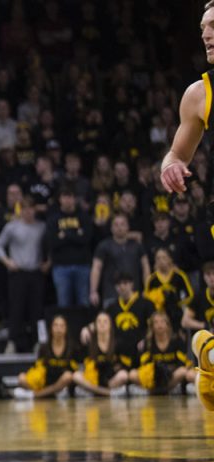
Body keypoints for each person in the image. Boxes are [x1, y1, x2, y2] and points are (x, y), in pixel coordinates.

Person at [160, 1, 214, 411]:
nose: (207, 34)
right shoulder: (200, 93)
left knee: (211, 390)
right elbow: (177, 154)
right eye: (202, 28)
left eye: (213, 25)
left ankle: (209, 349)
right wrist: (172, 168)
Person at [0, 195, 48, 352]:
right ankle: (12, 342)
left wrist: (48, 262)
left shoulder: (41, 227)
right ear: (20, 210)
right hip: (18, 273)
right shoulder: (12, 227)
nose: (28, 212)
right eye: (24, 208)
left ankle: (39, 343)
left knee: (37, 310)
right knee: (16, 309)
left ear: (34, 210)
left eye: (31, 208)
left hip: (36, 272)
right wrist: (8, 262)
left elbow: (51, 245)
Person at [12, 315, 78, 399]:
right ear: (51, 328)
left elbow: (74, 371)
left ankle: (34, 395)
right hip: (45, 381)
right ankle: (47, 393)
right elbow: (38, 368)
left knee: (68, 376)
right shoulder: (44, 347)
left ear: (66, 328)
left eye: (62, 326)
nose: (58, 329)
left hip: (62, 384)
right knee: (21, 378)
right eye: (56, 325)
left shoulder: (72, 347)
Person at [130, 312, 196, 395]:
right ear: (152, 326)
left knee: (182, 371)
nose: (159, 325)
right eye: (156, 322)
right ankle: (153, 389)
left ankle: (167, 389)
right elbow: (144, 364)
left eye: (162, 322)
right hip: (154, 377)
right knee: (132, 374)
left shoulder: (177, 341)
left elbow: (181, 363)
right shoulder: (147, 343)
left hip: (172, 376)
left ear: (167, 324)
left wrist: (168, 370)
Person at [73, 312, 132, 397]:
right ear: (95, 325)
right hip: (93, 380)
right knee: (76, 376)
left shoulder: (117, 343)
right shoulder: (90, 343)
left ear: (110, 325)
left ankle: (92, 392)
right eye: (99, 322)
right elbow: (82, 364)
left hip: (110, 380)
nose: (102, 324)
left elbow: (124, 364)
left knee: (124, 375)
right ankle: (107, 393)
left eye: (105, 321)